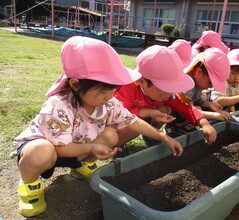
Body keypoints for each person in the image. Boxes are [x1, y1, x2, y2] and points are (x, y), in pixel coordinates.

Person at [14, 36, 183, 217]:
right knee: (41, 151)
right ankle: (29, 186)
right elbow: (60, 148)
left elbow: (133, 121)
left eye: (113, 89)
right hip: (51, 149)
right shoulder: (58, 106)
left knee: (111, 135)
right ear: (75, 84)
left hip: (75, 147)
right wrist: (91, 147)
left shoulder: (108, 103)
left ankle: (79, 166)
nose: (110, 95)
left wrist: (163, 136)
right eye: (104, 90)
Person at [114, 45, 217, 146]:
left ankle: (151, 135)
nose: (170, 94)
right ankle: (117, 145)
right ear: (142, 81)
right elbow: (118, 115)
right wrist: (147, 112)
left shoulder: (167, 94)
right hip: (119, 123)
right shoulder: (126, 88)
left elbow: (186, 108)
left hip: (141, 118)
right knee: (128, 125)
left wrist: (204, 123)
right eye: (165, 89)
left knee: (165, 110)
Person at [181, 48, 232, 123]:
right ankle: (178, 126)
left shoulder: (198, 80)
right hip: (174, 114)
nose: (212, 87)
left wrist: (208, 104)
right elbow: (185, 110)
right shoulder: (186, 84)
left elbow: (195, 99)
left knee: (198, 107)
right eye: (211, 83)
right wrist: (213, 115)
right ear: (198, 72)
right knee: (197, 109)